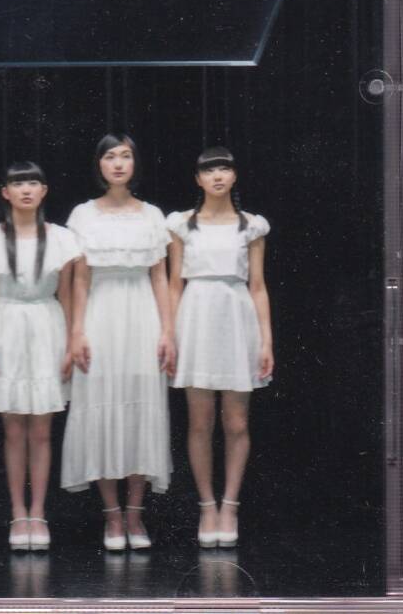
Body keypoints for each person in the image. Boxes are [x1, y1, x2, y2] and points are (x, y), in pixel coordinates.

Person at [61, 135, 174, 551]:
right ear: (99, 165)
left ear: (135, 163)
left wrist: (167, 330)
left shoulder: (152, 215)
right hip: (100, 315)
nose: (119, 163)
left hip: (142, 315)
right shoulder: (83, 215)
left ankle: (135, 514)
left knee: (141, 410)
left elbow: (160, 277)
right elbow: (79, 280)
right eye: (110, 156)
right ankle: (111, 515)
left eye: (126, 156)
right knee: (102, 409)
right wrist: (76, 331)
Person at [167, 147, 272, 547]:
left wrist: (266, 340)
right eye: (209, 171)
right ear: (198, 179)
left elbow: (258, 287)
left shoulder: (251, 226)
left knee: (237, 423)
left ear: (234, 175)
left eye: (224, 169)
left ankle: (230, 505)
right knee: (200, 421)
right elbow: (174, 285)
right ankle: (207, 506)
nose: (217, 176)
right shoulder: (181, 225)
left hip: (237, 319)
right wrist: (171, 335)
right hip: (196, 319)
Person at [0, 161, 80, 551]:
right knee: (14, 430)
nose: (26, 190)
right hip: (5, 327)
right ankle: (18, 512)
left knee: (42, 430)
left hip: (47, 326)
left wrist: (70, 343)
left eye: (34, 182)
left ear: (44, 190)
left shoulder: (61, 237)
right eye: (18, 183)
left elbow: (67, 295)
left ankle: (39, 512)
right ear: (6, 192)